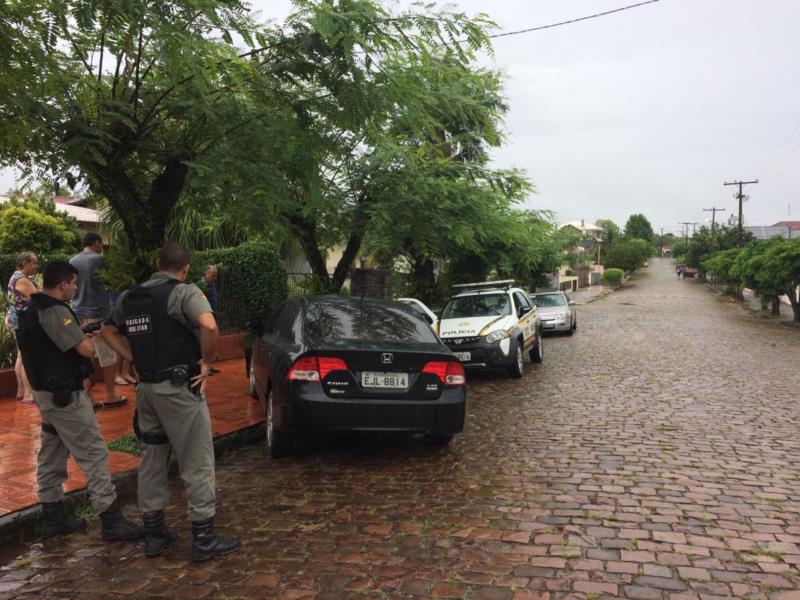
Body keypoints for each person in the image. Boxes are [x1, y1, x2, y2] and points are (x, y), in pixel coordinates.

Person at [101, 242, 241, 561]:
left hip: (146, 391)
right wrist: (206, 362)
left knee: (152, 458)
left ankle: (154, 533)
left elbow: (107, 330)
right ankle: (203, 538)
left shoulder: (130, 296)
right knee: (197, 459)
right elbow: (209, 324)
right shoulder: (183, 292)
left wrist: (133, 357)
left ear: (156, 262)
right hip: (178, 390)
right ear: (186, 268)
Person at [15, 261, 144, 541]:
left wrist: (79, 330)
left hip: (47, 395)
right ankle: (111, 519)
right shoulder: (54, 311)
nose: (75, 287)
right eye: (73, 283)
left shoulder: (31, 309)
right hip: (65, 396)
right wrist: (86, 339)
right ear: (62, 284)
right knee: (94, 451)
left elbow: (52, 344)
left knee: (52, 451)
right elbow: (84, 350)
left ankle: (52, 516)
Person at [70, 232, 126, 407]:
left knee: (85, 357)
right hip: (99, 313)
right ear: (97, 243)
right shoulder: (99, 260)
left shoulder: (72, 261)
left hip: (78, 312)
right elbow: (113, 282)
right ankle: (111, 395)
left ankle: (88, 398)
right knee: (108, 356)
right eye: (101, 244)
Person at [5, 251, 41, 403]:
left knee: (21, 355)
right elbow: (38, 297)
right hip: (22, 320)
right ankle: (28, 393)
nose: (36, 266)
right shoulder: (21, 279)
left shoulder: (21, 277)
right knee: (28, 355)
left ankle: (21, 391)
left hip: (16, 319)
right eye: (33, 263)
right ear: (25, 263)